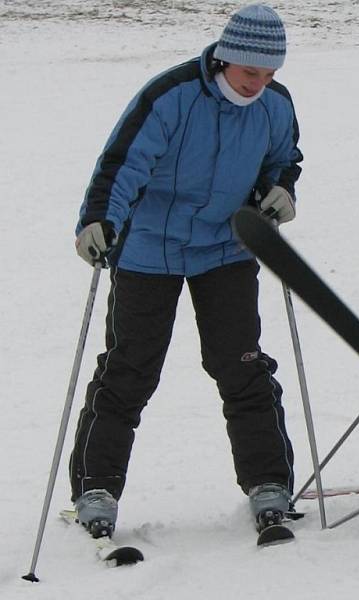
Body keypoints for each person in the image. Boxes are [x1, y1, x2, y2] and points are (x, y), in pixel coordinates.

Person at [68, 4, 303, 538]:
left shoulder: (276, 104)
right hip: (149, 249)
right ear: (225, 59)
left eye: (270, 75)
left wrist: (282, 191)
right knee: (131, 368)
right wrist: (99, 220)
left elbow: (284, 160)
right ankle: (96, 487)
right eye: (251, 73)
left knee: (241, 366)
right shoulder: (170, 96)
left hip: (226, 249)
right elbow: (122, 164)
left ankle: (269, 483)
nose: (259, 84)